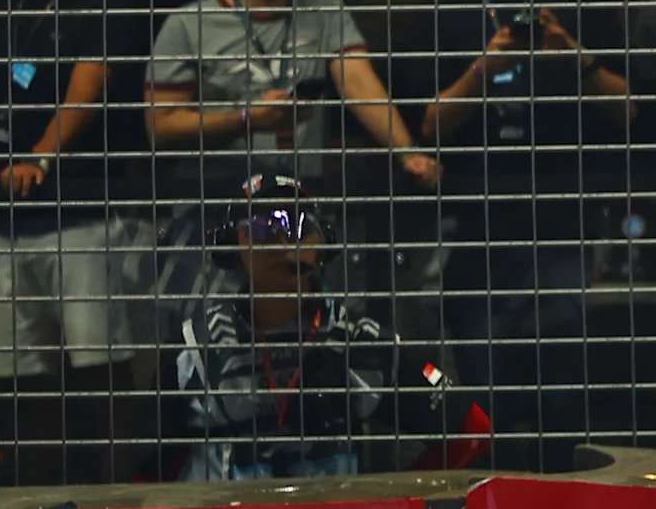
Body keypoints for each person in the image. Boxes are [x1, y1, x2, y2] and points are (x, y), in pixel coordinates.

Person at [420, 0, 631, 465]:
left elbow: (628, 108)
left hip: (563, 220)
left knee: (563, 390)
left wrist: (574, 57)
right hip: (477, 224)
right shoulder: (449, 11)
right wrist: (482, 70)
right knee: (486, 395)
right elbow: (429, 125)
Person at [0, 0, 148, 479]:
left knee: (100, 365)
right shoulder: (16, 4)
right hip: (13, 222)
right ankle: (41, 498)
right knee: (25, 375)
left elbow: (85, 91)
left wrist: (39, 158)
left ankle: (120, 495)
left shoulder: (105, 0)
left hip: (84, 214)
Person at [146, 0, 439, 198]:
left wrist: (407, 152)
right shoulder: (190, 24)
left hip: (302, 206)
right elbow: (160, 128)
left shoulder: (324, 10)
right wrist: (247, 119)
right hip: (218, 205)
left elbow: (360, 84)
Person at [172, 175, 455, 481]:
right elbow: (146, 469)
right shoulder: (195, 350)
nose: (282, 242)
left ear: (323, 242)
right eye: (259, 227)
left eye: (297, 226)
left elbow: (470, 428)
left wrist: (399, 507)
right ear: (232, 246)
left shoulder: (362, 345)